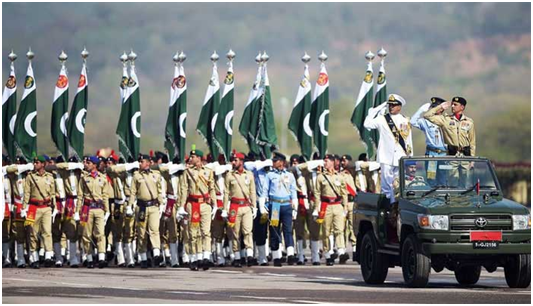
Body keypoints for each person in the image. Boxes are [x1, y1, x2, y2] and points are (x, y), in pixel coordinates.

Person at [364, 94, 413, 203]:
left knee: (398, 182)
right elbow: (367, 124)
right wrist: (374, 111)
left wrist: (410, 157)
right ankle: (388, 204)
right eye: (390, 105)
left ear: (399, 107)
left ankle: (396, 203)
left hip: (401, 155)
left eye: (394, 105)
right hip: (386, 156)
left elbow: (408, 140)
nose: (391, 107)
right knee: (386, 183)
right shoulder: (382, 119)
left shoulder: (405, 120)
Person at [424, 96, 476, 187]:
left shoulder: (469, 122)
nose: (452, 106)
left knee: (465, 183)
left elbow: (472, 142)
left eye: (455, 105)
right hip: (452, 156)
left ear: (462, 107)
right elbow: (427, 116)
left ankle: (463, 201)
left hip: (465, 156)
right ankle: (454, 200)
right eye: (452, 104)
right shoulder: (445, 119)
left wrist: (472, 159)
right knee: (452, 183)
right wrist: (440, 107)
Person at [180, 148, 217, 271]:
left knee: (205, 232)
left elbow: (212, 188)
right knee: (193, 233)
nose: (191, 159)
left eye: (193, 157)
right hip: (192, 204)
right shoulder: (188, 172)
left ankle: (205, 257)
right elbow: (184, 190)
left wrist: (215, 204)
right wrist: (181, 206)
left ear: (199, 158)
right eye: (191, 157)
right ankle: (194, 258)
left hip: (205, 204)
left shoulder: (208, 171)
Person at [259, 152, 298, 267]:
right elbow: (264, 191)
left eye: (275, 161)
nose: (273, 163)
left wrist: (295, 209)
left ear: (282, 162)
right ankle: (277, 256)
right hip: (275, 206)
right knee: (275, 230)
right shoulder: (270, 175)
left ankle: (290, 254)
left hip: (286, 205)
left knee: (288, 230)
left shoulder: (289, 175)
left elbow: (293, 193)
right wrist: (263, 207)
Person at [129, 154, 164, 269]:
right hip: (142, 206)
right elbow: (133, 192)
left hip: (153, 206)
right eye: (139, 162)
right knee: (142, 233)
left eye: (142, 161)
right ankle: (143, 257)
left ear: (148, 163)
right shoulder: (136, 175)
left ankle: (156, 254)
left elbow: (159, 191)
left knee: (154, 229)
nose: (140, 163)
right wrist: (130, 205)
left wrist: (162, 204)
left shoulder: (156, 175)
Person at [223, 152, 257, 267]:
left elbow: (252, 191)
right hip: (234, 207)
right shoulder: (230, 175)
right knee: (235, 233)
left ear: (241, 162)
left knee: (247, 231)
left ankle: (250, 255)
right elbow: (226, 192)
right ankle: (237, 257)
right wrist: (225, 207)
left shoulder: (250, 174)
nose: (233, 162)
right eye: (232, 160)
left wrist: (255, 207)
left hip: (246, 206)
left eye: (235, 160)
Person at [313, 154, 348, 266]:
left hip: (337, 205)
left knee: (339, 229)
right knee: (326, 231)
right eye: (324, 161)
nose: (325, 163)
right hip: (326, 205)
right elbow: (317, 193)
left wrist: (345, 207)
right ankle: (328, 253)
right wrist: (317, 207)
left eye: (327, 161)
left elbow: (344, 193)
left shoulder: (340, 176)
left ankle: (341, 251)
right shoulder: (321, 177)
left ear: (332, 162)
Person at [23, 155, 57, 268]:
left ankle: (48, 255)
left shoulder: (50, 177)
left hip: (46, 208)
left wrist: (55, 207)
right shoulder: (30, 177)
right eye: (34, 162)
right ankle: (34, 257)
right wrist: (24, 207)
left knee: (47, 232)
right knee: (32, 233)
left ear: (43, 164)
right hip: (33, 207)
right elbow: (26, 193)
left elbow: (52, 194)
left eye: (37, 162)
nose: (35, 164)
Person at [78, 156, 110, 268]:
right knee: (86, 234)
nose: (87, 164)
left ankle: (101, 257)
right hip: (87, 208)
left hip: (99, 209)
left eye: (89, 163)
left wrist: (107, 210)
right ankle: (89, 258)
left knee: (100, 233)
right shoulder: (84, 178)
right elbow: (80, 195)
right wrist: (78, 211)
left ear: (95, 165)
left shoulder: (103, 178)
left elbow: (105, 195)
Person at [340, 154, 356, 262]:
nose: (342, 162)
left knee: (353, 227)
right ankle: (342, 252)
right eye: (342, 161)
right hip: (343, 204)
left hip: (353, 202)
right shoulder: (340, 175)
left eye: (345, 161)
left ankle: (355, 249)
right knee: (342, 228)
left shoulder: (356, 172)